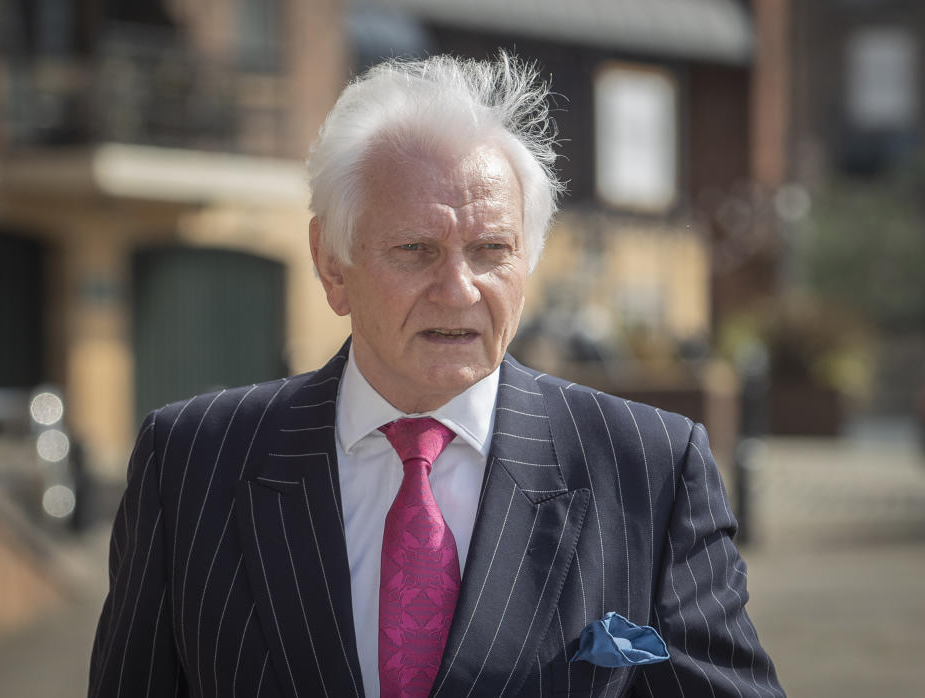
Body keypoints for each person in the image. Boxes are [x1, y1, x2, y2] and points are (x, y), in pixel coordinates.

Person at [88, 53, 784, 698]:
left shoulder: (653, 471)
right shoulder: (191, 463)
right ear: (332, 264)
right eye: (416, 250)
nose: (459, 289)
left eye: (490, 250)